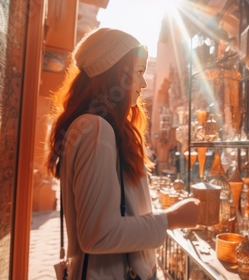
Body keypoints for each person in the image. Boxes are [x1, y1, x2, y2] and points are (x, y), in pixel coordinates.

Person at [47, 28, 201, 280]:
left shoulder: (93, 126)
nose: (144, 83)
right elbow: (99, 235)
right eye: (139, 72)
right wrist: (172, 219)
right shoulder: (96, 129)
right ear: (115, 73)